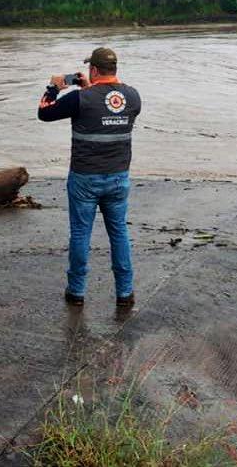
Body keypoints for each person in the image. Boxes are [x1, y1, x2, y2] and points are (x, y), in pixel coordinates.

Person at [37, 47, 142, 307]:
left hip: (85, 179)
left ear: (93, 70)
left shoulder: (79, 99)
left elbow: (45, 112)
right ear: (114, 68)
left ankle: (77, 292)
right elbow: (107, 108)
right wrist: (88, 90)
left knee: (81, 234)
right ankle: (125, 292)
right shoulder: (133, 96)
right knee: (119, 233)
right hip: (119, 177)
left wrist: (54, 87)